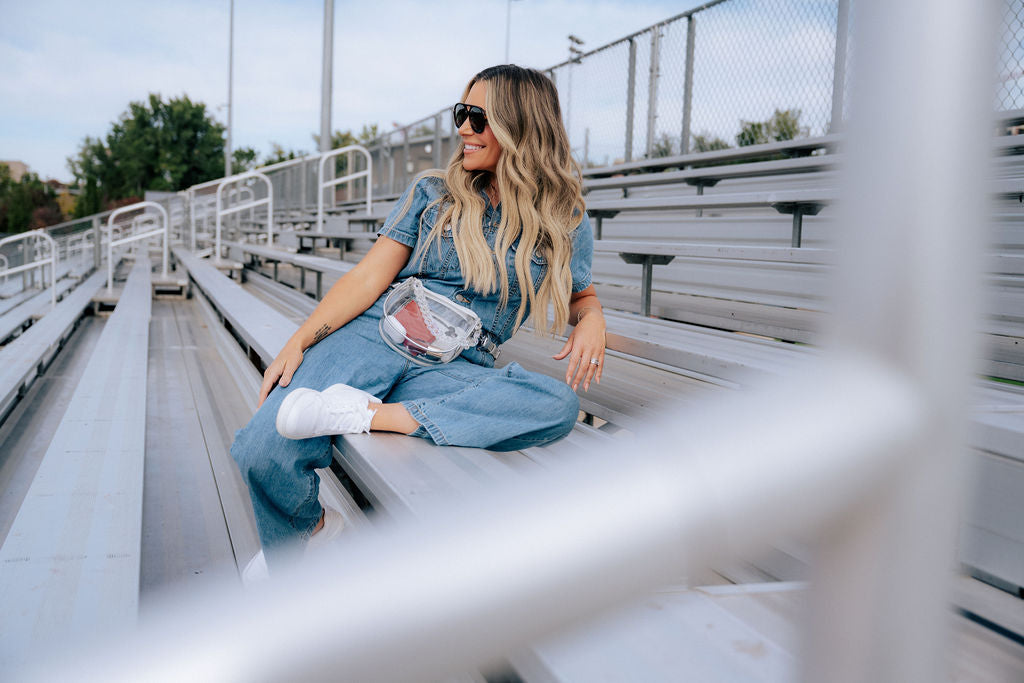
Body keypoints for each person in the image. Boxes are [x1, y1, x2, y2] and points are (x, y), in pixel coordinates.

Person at [230, 65, 607, 570]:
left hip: (458, 364)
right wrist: (299, 341)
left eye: (478, 118)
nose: (463, 129)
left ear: (520, 125)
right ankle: (310, 534)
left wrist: (592, 319)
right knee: (261, 446)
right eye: (462, 114)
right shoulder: (434, 193)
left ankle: (363, 415)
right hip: (376, 335)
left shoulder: (566, 219)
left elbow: (581, 296)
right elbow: (367, 279)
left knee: (557, 405)